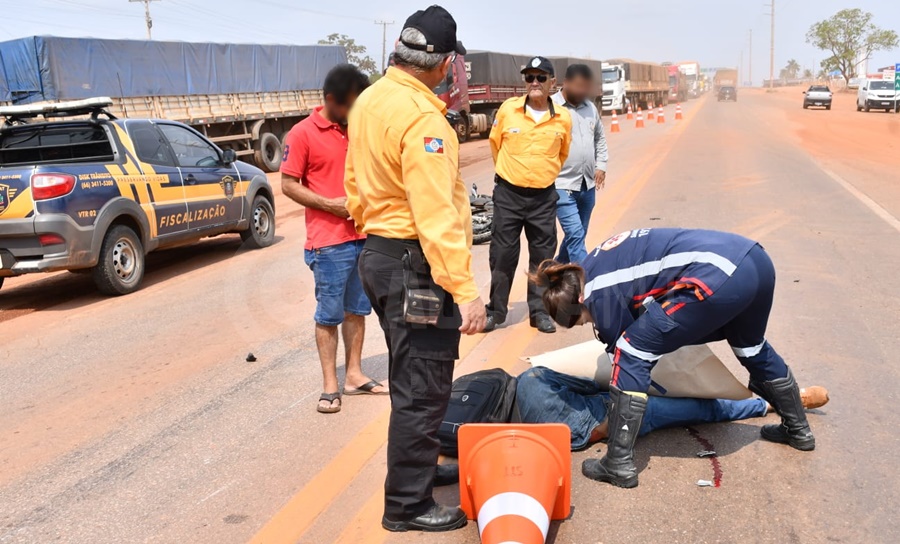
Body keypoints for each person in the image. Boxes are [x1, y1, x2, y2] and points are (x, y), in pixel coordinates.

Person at [527, 227, 818, 489]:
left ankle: (617, 463)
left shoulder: (597, 292)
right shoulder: (591, 267)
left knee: (632, 351)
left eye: (584, 321)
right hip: (754, 261)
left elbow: (623, 347)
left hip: (716, 274)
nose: (592, 323)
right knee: (750, 347)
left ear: (580, 302)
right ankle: (798, 429)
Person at [344, 5, 485, 533]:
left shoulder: (371, 100)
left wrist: (376, 231)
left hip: (379, 256)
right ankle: (408, 504)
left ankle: (419, 469)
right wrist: (465, 290)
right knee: (422, 389)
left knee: (412, 379)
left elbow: (354, 185)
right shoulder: (424, 118)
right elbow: (435, 215)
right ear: (444, 63)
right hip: (413, 265)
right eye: (452, 64)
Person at [281, 64, 385, 414]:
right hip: (328, 243)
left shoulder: (356, 129)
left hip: (364, 235)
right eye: (350, 106)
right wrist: (328, 204)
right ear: (330, 100)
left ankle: (354, 375)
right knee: (329, 315)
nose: (354, 113)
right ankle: (330, 384)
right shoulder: (301, 133)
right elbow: (288, 183)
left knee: (357, 310)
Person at [517, 366, 829, 451]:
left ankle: (772, 401)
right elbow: (592, 385)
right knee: (705, 408)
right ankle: (782, 401)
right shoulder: (533, 379)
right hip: (618, 413)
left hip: (603, 424)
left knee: (702, 408)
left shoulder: (519, 420)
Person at [484, 56, 572, 334]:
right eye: (529, 77)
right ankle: (496, 312)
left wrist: (539, 175)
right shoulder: (508, 110)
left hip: (543, 198)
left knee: (543, 259)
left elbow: (562, 154)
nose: (534, 83)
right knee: (502, 256)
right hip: (508, 196)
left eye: (541, 77)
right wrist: (512, 174)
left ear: (552, 82)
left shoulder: (563, 117)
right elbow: (495, 145)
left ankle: (539, 312)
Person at [552, 64, 608, 265]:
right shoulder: (551, 108)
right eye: (578, 86)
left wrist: (601, 165)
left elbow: (599, 138)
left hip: (587, 185)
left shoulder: (590, 108)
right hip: (561, 183)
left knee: (579, 234)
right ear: (565, 83)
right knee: (575, 234)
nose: (582, 91)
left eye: (586, 87)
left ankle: (555, 271)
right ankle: (587, 283)